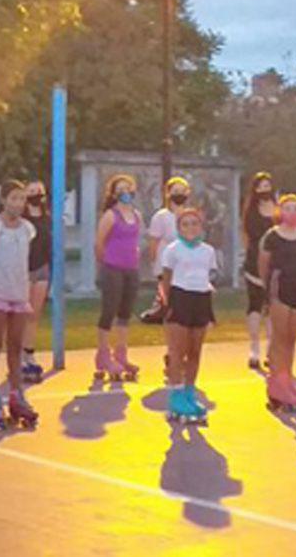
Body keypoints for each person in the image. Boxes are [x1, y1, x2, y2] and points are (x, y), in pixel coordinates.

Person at [0, 181, 38, 430]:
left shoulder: (26, 229)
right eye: (13, 198)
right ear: (3, 200)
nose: (18, 204)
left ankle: (16, 393)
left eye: (22, 199)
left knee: (15, 345)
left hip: (18, 292)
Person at [160, 208, 218, 426]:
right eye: (185, 224)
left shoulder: (208, 251)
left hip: (201, 298)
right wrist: (168, 304)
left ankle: (189, 392)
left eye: (195, 223)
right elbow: (166, 278)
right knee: (178, 351)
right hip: (180, 298)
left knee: (195, 350)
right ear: (179, 228)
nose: (190, 228)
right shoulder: (172, 250)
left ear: (201, 226)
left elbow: (208, 275)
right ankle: (175, 395)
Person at [260, 193, 296, 412]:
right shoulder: (272, 236)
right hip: (279, 286)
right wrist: (267, 291)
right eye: (288, 208)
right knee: (279, 339)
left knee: (291, 339)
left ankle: (288, 381)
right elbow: (263, 264)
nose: (293, 211)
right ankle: (276, 385)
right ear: (280, 211)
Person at [93, 174, 143, 382]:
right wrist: (105, 264)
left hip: (131, 268)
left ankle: (121, 354)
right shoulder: (111, 215)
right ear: (114, 194)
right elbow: (99, 243)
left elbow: (136, 240)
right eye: (121, 189)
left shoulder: (137, 215)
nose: (125, 192)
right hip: (112, 268)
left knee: (125, 312)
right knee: (109, 311)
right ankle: (103, 354)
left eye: (128, 188)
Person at [141, 177, 192, 326]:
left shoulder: (190, 215)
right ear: (168, 193)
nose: (179, 194)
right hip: (166, 262)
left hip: (186, 262)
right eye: (175, 191)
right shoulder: (161, 216)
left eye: (182, 191)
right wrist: (153, 260)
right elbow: (154, 240)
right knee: (168, 296)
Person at [241, 172, 279, 370]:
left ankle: (271, 350)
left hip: (276, 262)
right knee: (255, 304)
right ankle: (254, 348)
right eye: (261, 186)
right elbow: (246, 235)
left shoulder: (279, 210)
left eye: (268, 186)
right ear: (255, 189)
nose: (265, 190)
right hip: (255, 260)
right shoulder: (250, 211)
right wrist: (251, 255)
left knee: (273, 306)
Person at [20, 180, 52, 384]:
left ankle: (29, 353)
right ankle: (18, 357)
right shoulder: (21, 219)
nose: (35, 195)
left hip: (41, 268)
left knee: (34, 314)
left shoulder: (48, 219)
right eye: (31, 192)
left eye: (38, 192)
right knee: (21, 314)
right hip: (23, 269)